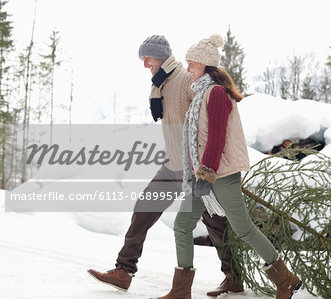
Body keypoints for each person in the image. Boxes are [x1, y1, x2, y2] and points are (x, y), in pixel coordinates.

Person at [87, 35, 244, 297]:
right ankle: (124, 272)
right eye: (142, 59)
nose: (145, 64)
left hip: (193, 168)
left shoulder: (183, 79)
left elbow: (211, 108)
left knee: (215, 223)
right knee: (144, 209)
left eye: (147, 58)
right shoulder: (161, 84)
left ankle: (233, 277)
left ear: (161, 55)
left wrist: (209, 162)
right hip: (172, 165)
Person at [156, 34, 302, 299]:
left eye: (191, 63)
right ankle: (181, 290)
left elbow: (217, 137)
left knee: (243, 228)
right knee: (182, 225)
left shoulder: (216, 93)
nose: (187, 68)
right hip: (202, 176)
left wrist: (206, 172)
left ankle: (286, 279)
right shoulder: (201, 93)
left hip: (219, 174)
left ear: (204, 64)